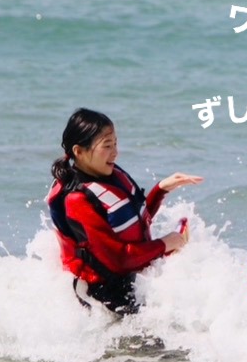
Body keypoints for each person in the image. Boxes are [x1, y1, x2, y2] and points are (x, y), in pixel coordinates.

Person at [47, 108, 202, 314]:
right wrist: (165, 244)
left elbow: (133, 220)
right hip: (103, 295)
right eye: (107, 145)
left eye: (115, 144)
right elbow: (118, 260)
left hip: (129, 275)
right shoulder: (77, 199)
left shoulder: (108, 173)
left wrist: (161, 189)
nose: (115, 152)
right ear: (79, 151)